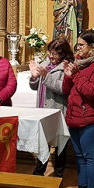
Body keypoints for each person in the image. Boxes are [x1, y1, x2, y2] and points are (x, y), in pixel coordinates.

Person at [62, 29, 94, 188]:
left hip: (91, 119)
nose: (78, 48)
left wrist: (75, 75)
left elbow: (92, 92)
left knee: (90, 159)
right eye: (77, 45)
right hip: (75, 116)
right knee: (80, 157)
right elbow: (67, 90)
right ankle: (82, 186)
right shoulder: (79, 62)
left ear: (93, 45)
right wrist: (68, 75)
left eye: (81, 45)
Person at [29, 37, 74, 177]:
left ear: (63, 54)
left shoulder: (66, 67)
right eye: (50, 52)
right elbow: (34, 86)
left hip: (58, 110)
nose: (51, 56)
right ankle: (39, 172)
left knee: (60, 145)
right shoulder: (46, 63)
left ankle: (59, 174)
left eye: (55, 53)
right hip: (43, 109)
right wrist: (34, 77)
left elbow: (63, 88)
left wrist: (45, 76)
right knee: (43, 143)